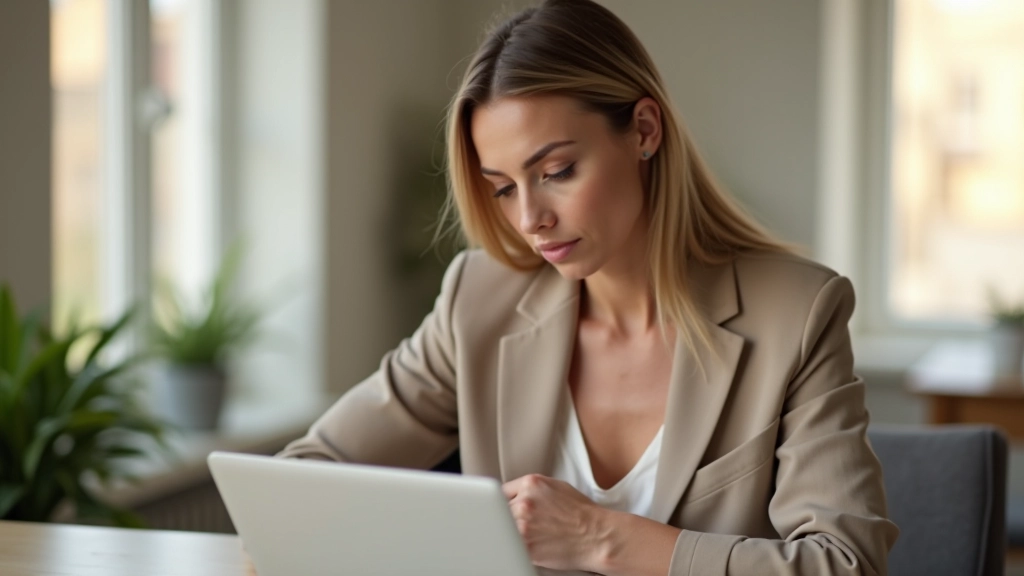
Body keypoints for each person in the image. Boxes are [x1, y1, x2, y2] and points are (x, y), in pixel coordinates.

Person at [279, 0, 899, 574]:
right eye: (502, 187)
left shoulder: (795, 313)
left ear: (645, 130)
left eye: (557, 172)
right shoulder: (479, 302)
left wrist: (599, 537)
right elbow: (300, 482)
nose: (529, 220)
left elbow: (845, 564)